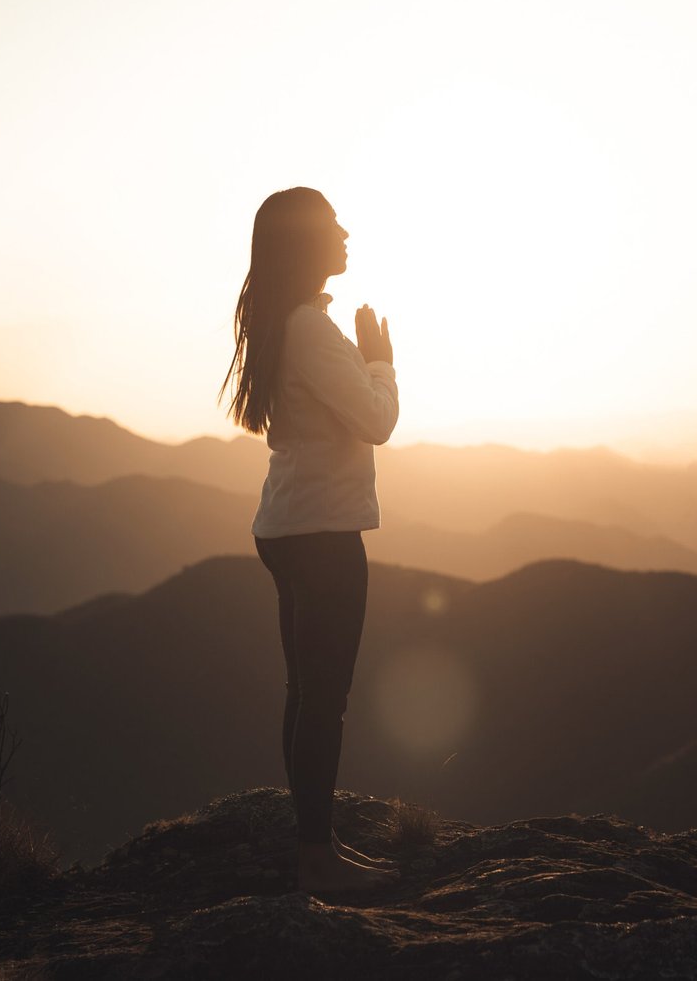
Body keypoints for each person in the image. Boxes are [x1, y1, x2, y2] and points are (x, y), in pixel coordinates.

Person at [218, 186, 400, 892]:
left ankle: (314, 843)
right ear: (304, 243)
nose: (346, 232)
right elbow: (376, 420)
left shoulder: (284, 324)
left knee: (306, 690)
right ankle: (316, 856)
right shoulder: (310, 329)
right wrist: (380, 360)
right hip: (322, 530)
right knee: (325, 697)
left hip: (288, 523)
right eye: (331, 225)